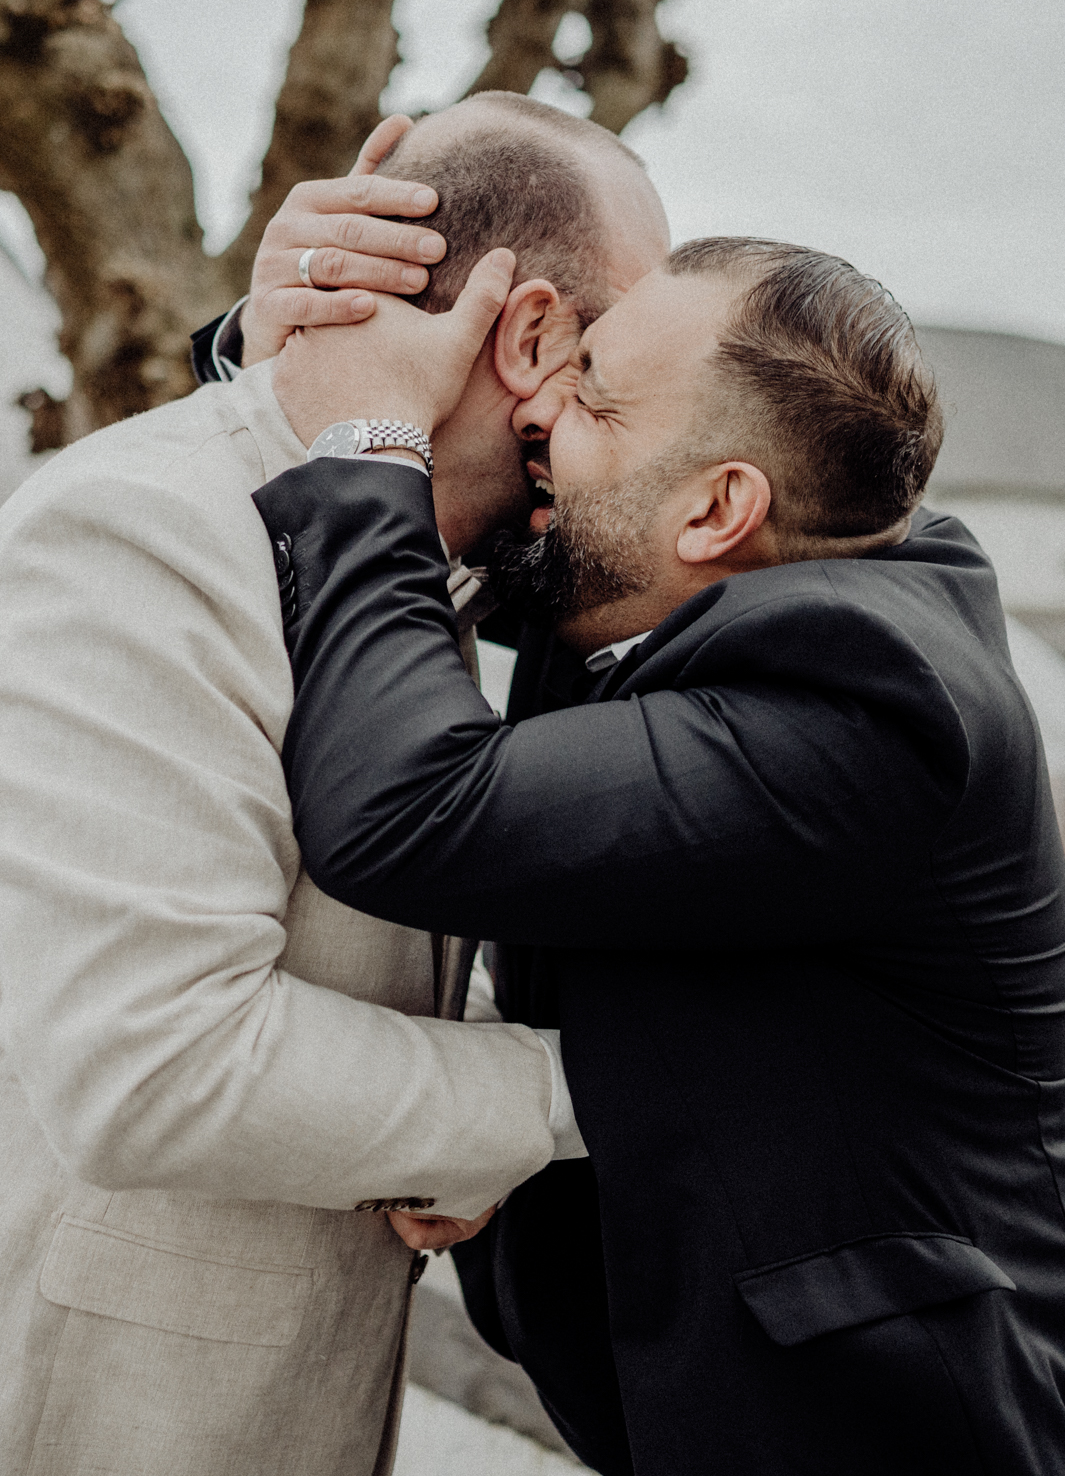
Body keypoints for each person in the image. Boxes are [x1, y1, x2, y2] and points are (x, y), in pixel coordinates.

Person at [252, 237, 1065, 1476]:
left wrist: (369, 432)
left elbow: (410, 805)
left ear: (716, 508)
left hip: (881, 1431)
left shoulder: (869, 701)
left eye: (591, 396)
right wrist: (285, 327)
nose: (539, 406)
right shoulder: (736, 570)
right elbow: (479, 540)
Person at [0, 95, 667, 1476]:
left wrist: (448, 1122)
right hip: (104, 1411)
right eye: (622, 357)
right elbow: (157, 1068)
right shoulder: (138, 531)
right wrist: (573, 1095)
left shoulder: (440, 560)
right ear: (531, 334)